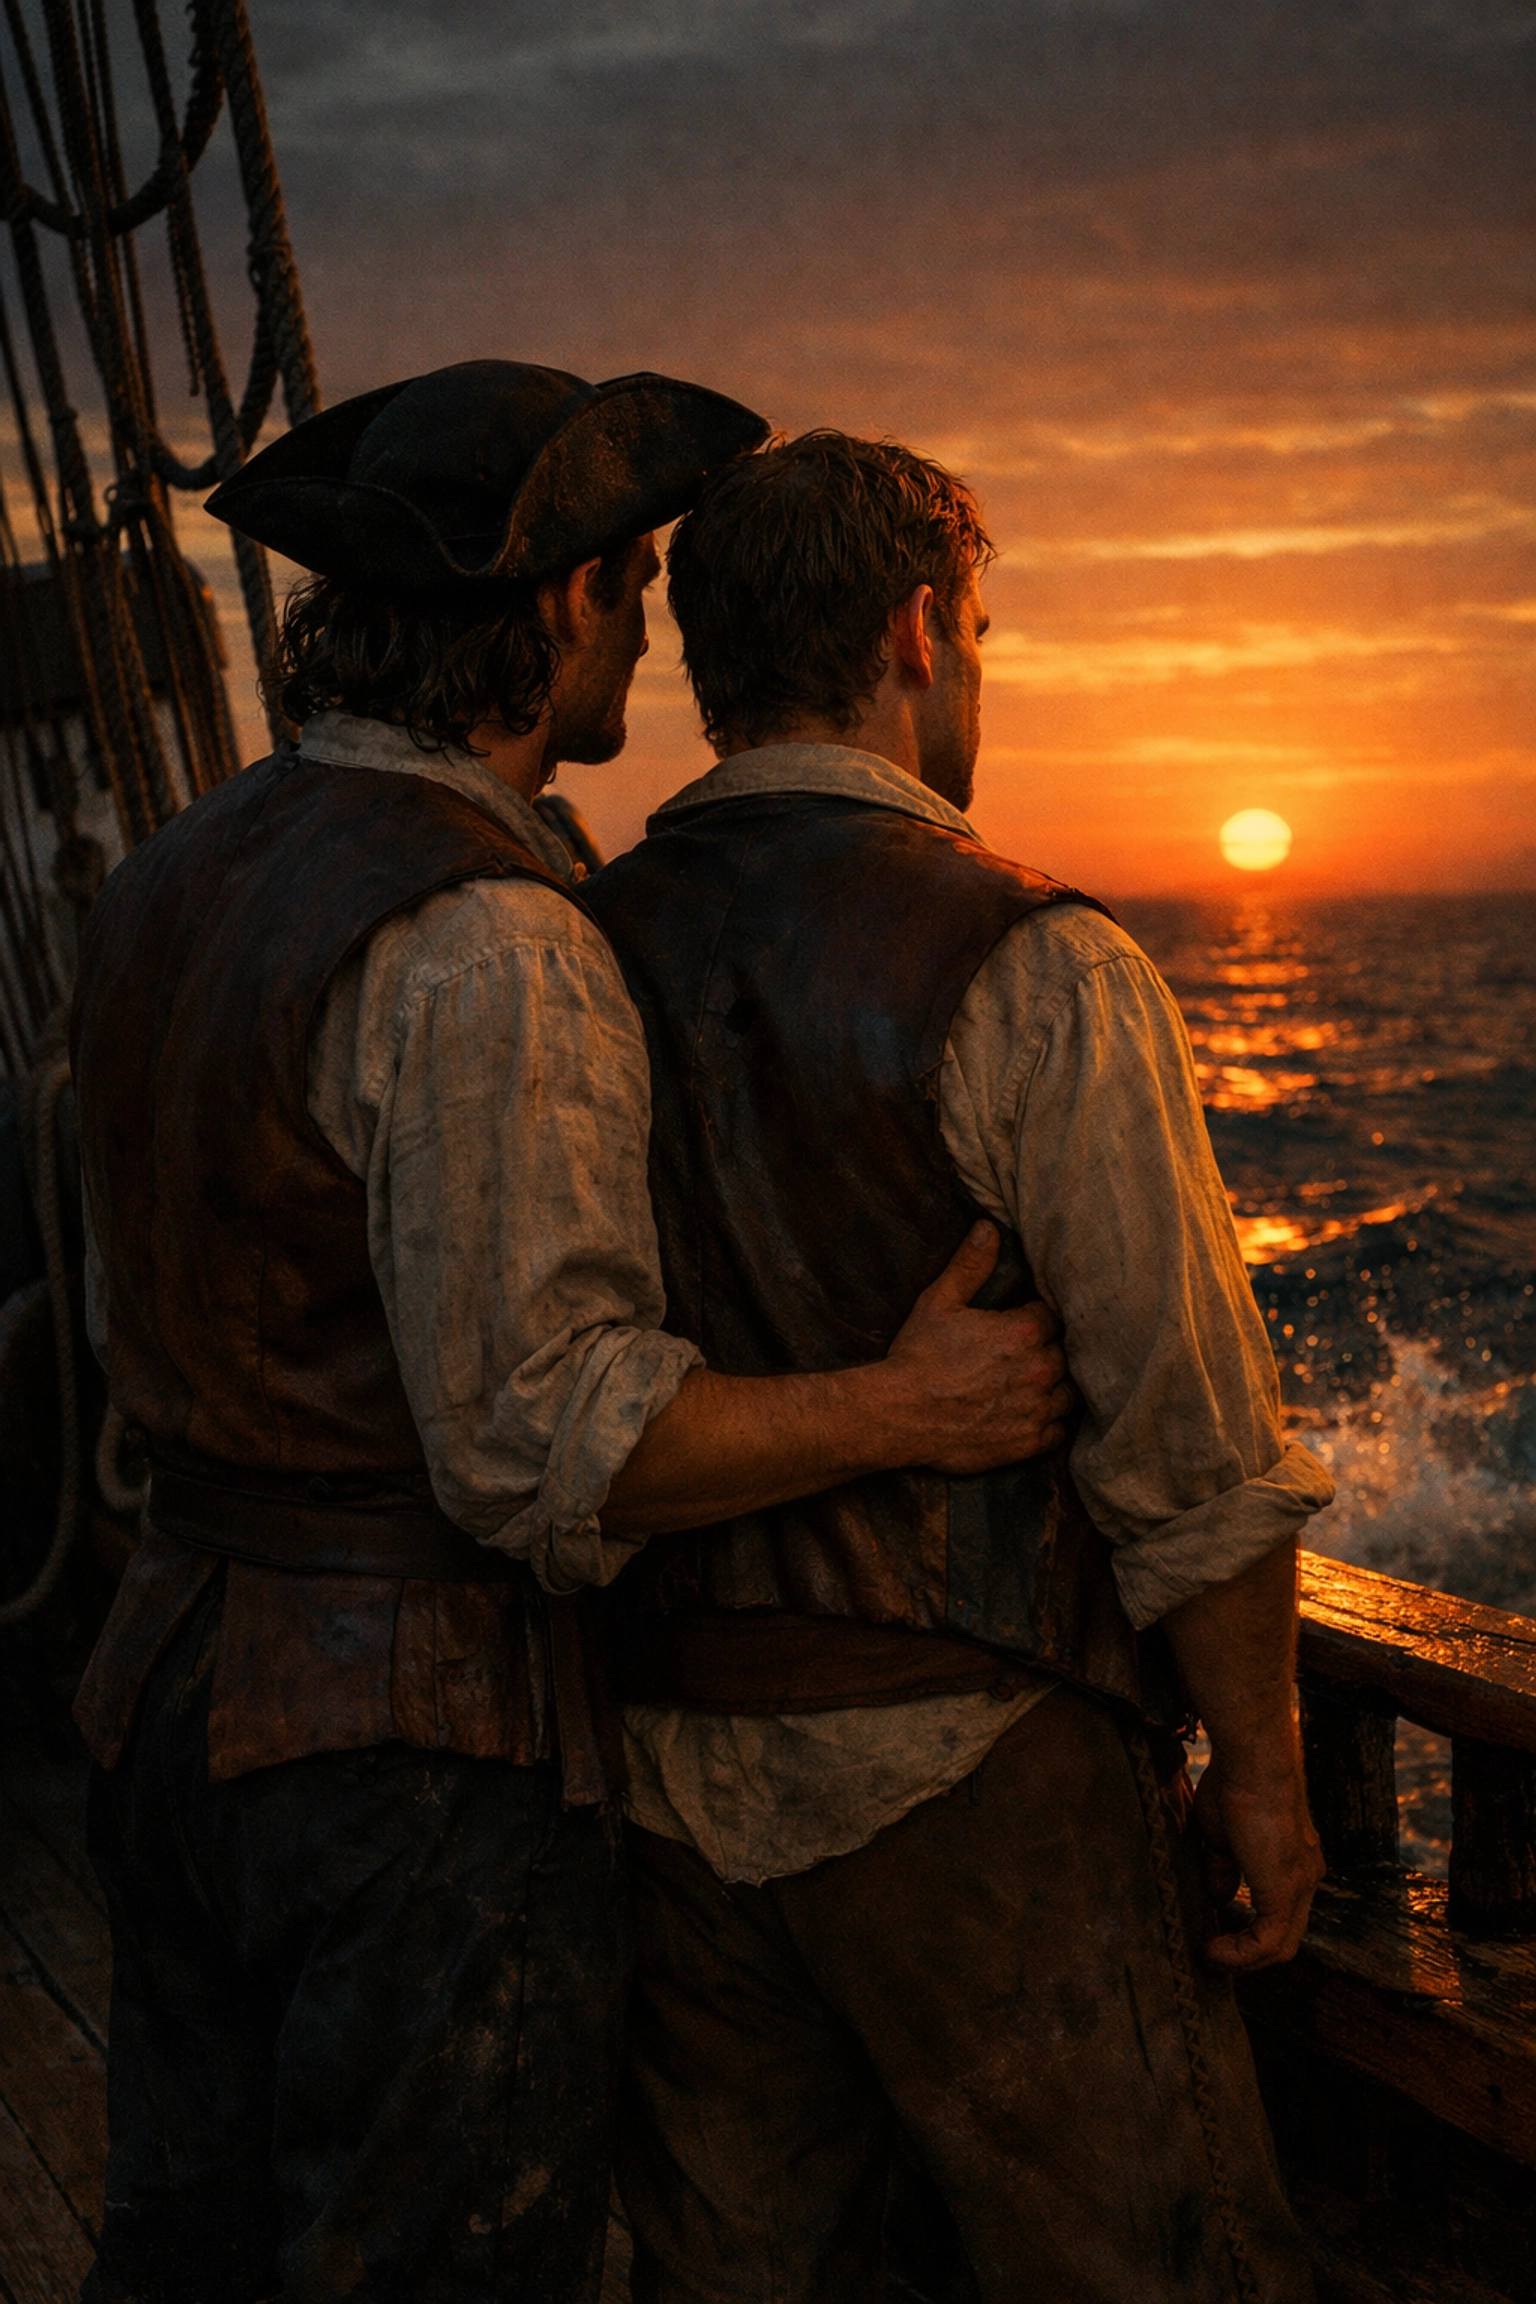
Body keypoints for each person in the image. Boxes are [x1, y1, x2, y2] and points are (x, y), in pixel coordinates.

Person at [67, 369, 1072, 2304]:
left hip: (174, 1690)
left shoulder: (171, 881)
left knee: (185, 2256)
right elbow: (546, 1446)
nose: (642, 630)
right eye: (622, 590)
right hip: (402, 1755)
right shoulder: (493, 942)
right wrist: (903, 1403)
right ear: (547, 614)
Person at [584, 430, 1338, 2304]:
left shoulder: (565, 949)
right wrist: (1261, 1778)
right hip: (978, 1771)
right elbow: (1193, 1446)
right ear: (921, 632)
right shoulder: (1036, 958)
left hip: (666, 1786)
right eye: (982, 628)